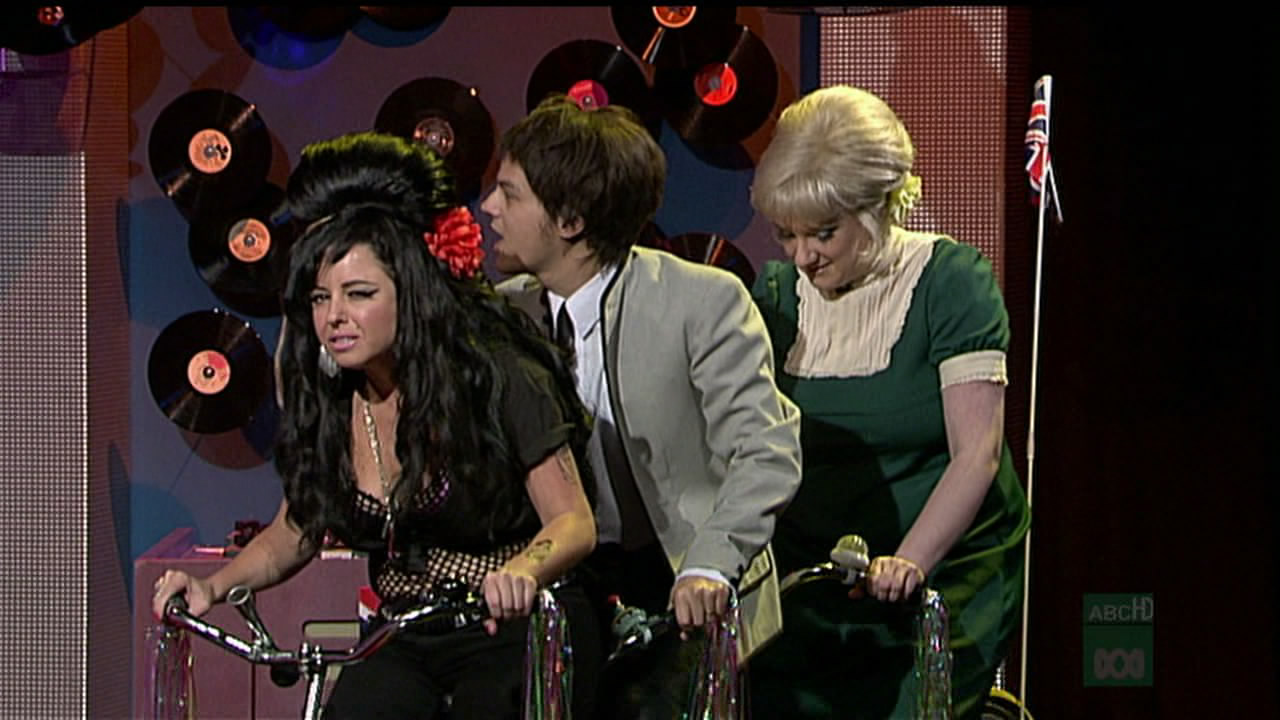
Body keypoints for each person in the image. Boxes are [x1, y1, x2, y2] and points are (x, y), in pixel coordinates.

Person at [152, 131, 601, 719]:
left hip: (513, 625)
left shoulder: (498, 373)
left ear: (410, 293)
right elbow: (296, 529)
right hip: (405, 632)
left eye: (359, 294)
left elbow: (573, 523)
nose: (334, 317)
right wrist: (212, 587)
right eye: (320, 299)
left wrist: (522, 570)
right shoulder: (332, 396)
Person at [481, 95, 803, 714]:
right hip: (563, 588)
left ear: (570, 220)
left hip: (680, 585)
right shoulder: (505, 313)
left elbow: (766, 452)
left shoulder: (701, 302)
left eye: (510, 194)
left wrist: (711, 564)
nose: (490, 207)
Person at [745, 84, 1032, 720]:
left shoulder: (951, 283)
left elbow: (977, 456)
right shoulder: (776, 297)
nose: (803, 256)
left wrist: (909, 561)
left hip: (942, 564)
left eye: (823, 233)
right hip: (819, 569)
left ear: (877, 207)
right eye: (787, 234)